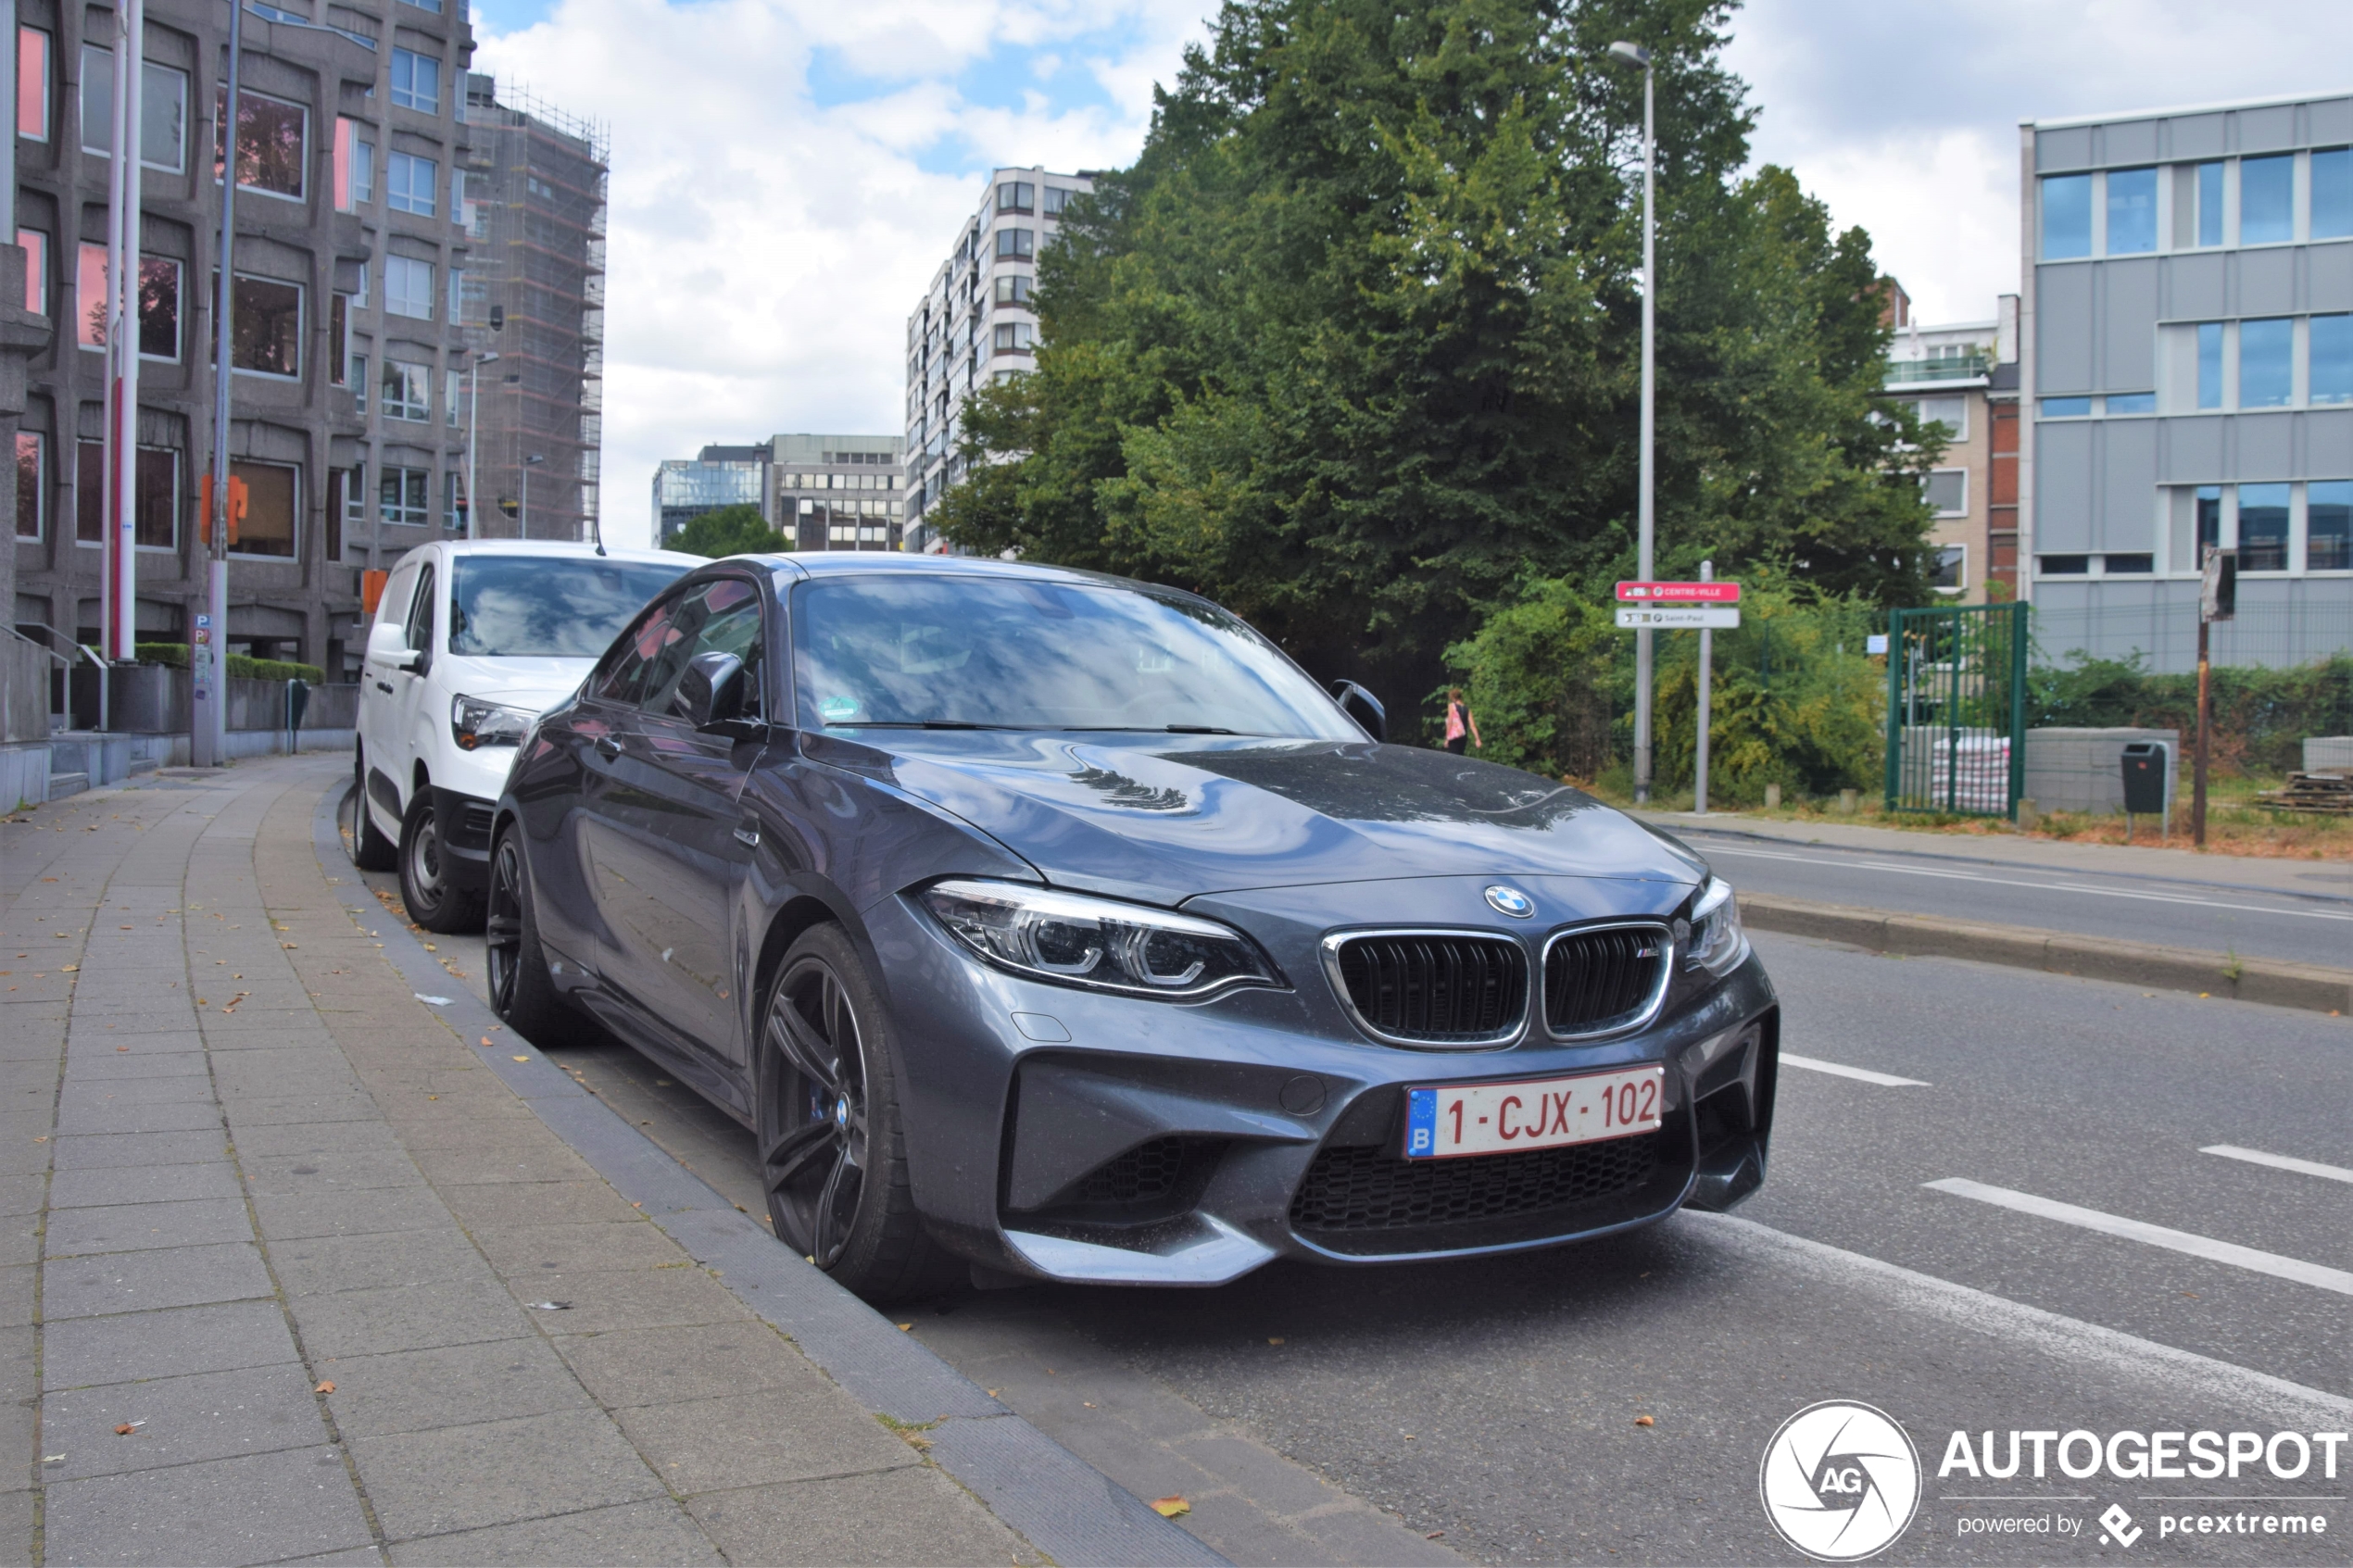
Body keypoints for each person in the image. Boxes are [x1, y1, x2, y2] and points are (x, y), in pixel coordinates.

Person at [1442, 688, 1481, 755]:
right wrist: (1477, 739)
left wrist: (1447, 738)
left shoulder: (1451, 706)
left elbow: (1450, 723)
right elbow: (1472, 725)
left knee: (1452, 757)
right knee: (1460, 757)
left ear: (1453, 697)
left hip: (1454, 737)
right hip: (1463, 737)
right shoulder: (1467, 709)